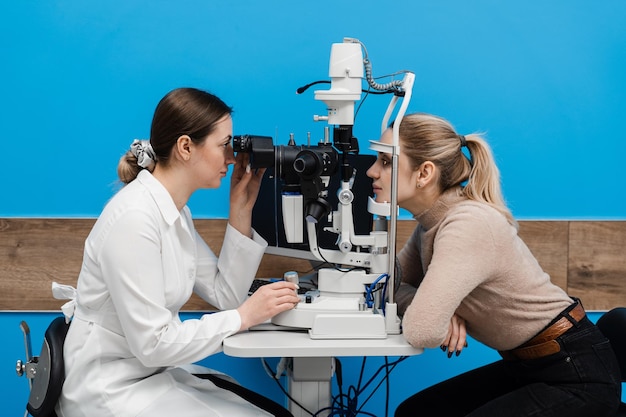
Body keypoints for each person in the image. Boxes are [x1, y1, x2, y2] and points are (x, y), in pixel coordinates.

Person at [54, 87, 300, 417]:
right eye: (224, 144)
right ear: (186, 147)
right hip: (108, 389)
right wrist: (244, 317)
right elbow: (154, 344)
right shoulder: (135, 219)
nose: (231, 157)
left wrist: (240, 212)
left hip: (146, 374)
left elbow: (224, 294)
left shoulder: (173, 211)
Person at [365, 113, 622, 417]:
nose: (371, 171)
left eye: (385, 161)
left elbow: (422, 330)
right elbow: (389, 285)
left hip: (576, 375)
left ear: (424, 173)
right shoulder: (431, 223)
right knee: (416, 412)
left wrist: (437, 308)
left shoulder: (467, 225)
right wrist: (440, 307)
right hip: (530, 366)